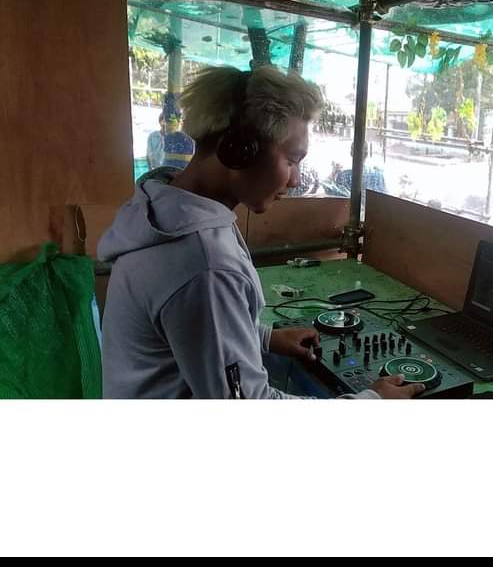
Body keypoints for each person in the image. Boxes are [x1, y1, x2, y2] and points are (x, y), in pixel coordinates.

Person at [98, 65, 418, 399]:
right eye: (292, 160)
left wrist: (263, 337)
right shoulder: (204, 264)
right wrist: (371, 402)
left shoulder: (162, 208)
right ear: (239, 149)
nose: (296, 180)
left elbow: (193, 329)